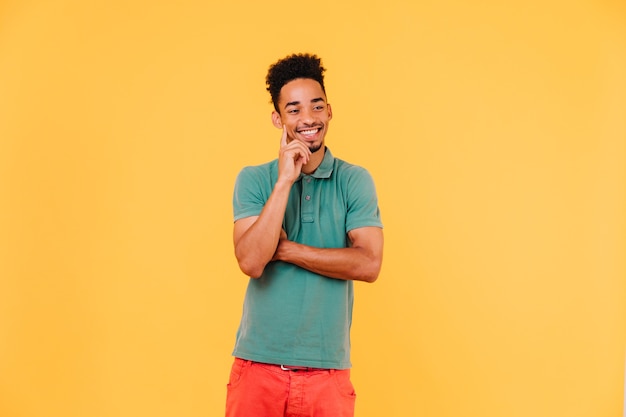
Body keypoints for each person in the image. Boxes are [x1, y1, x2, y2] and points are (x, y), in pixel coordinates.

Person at [226, 53, 384, 417]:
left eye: (316, 107)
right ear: (277, 119)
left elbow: (369, 263)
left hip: (327, 373)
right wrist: (284, 181)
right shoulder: (254, 179)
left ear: (329, 111)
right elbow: (251, 260)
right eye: (294, 110)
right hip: (257, 367)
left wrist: (286, 250)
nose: (308, 119)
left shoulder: (354, 180)